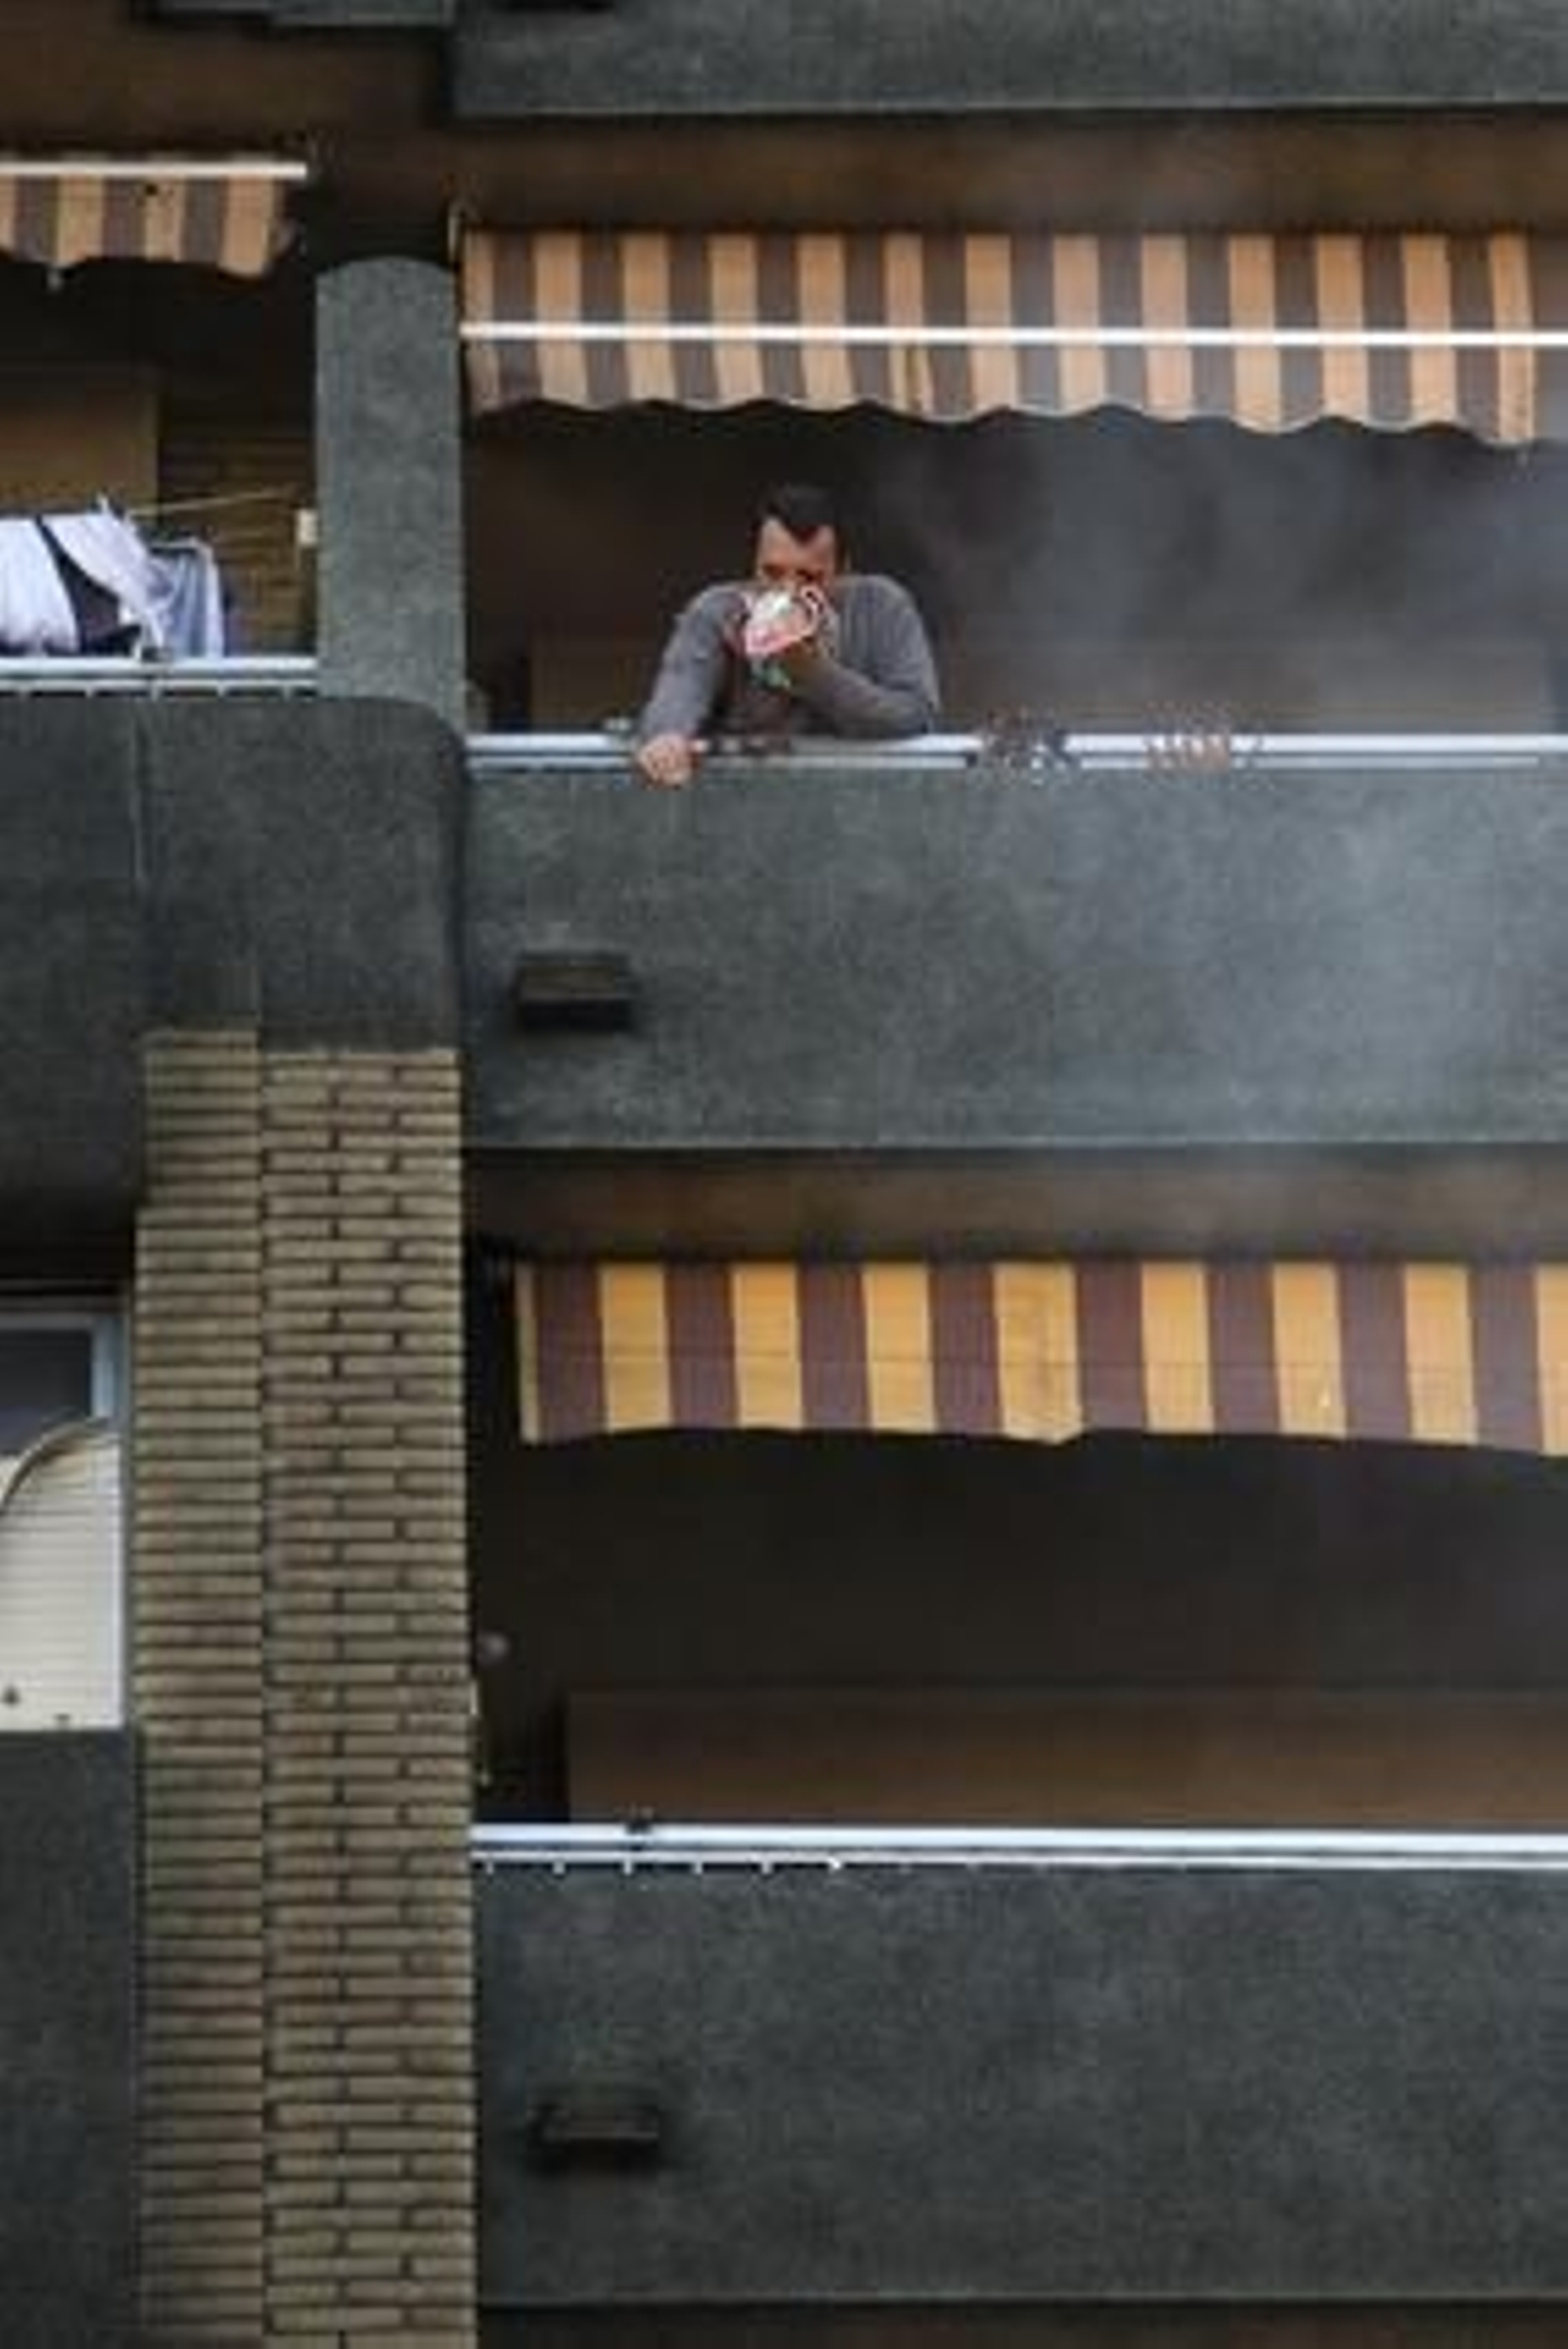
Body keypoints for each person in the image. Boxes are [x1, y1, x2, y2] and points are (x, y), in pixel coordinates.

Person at [634, 482, 940, 788]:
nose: (788, 593)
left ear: (844, 572)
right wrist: (668, 739)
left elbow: (917, 714)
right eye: (772, 573)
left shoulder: (881, 606)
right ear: (752, 567)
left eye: (810, 578)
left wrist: (811, 672)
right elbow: (679, 691)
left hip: (859, 797)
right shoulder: (716, 611)